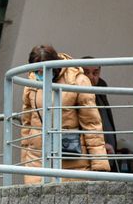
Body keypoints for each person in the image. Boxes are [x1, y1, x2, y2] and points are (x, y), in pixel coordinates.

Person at [20, 45, 110, 183]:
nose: (39, 74)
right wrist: (24, 161)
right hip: (37, 158)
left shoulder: (78, 80)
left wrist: (100, 164)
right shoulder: (31, 82)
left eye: (43, 71)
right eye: (37, 71)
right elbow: (27, 123)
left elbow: (91, 124)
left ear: (54, 67)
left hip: (72, 158)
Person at [82, 57, 118, 171]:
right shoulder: (76, 96)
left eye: (95, 73)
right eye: (86, 72)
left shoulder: (101, 92)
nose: (91, 77)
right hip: (90, 159)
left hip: (104, 156)